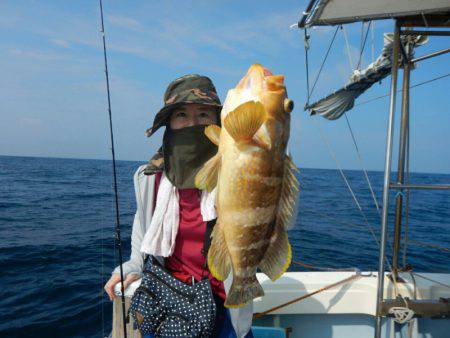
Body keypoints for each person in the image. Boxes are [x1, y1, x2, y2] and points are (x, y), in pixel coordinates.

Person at [104, 74, 254, 337]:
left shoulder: (239, 171)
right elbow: (144, 226)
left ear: (218, 122)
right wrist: (133, 266)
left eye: (204, 114)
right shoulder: (149, 178)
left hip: (224, 306)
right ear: (169, 124)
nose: (192, 123)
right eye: (181, 114)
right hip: (166, 299)